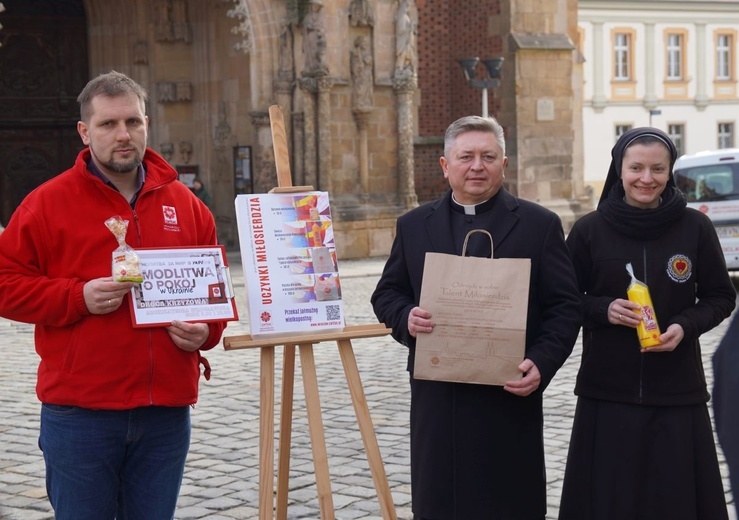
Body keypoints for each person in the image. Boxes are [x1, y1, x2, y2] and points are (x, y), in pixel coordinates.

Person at [0, 71, 227, 519]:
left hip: (165, 413)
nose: (123, 135)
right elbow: (4, 284)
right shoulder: (46, 204)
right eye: (107, 124)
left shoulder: (187, 205)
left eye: (133, 122)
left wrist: (206, 331)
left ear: (146, 124)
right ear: (85, 132)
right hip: (81, 413)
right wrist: (76, 296)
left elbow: (213, 295)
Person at [371, 115, 582, 519]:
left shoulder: (539, 225)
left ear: (504, 164)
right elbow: (387, 293)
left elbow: (565, 306)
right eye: (466, 156)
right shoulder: (415, 225)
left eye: (488, 156)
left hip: (507, 395)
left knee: (508, 501)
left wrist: (542, 362)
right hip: (440, 399)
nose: (477, 166)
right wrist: (405, 318)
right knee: (440, 501)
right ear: (445, 165)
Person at [559, 127, 736, 519]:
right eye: (635, 167)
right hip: (607, 391)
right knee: (609, 500)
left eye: (657, 169)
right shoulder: (590, 230)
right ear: (619, 170)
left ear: (669, 171)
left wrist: (686, 326)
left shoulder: (695, 227)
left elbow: (721, 297)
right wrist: (603, 309)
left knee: (674, 500)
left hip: (677, 390)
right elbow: (564, 299)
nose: (646, 178)